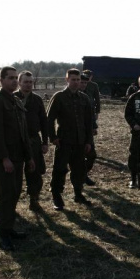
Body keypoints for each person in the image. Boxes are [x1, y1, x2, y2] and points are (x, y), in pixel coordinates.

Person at [0, 66, 35, 251]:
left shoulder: (15, 101)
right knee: (4, 195)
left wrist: (29, 157)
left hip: (18, 156)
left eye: (15, 78)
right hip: (3, 157)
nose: (14, 81)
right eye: (10, 78)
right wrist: (4, 158)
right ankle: (3, 233)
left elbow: (23, 132)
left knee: (14, 193)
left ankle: (9, 227)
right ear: (1, 80)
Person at [46, 69, 94, 210]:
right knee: (60, 169)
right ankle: (57, 196)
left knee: (79, 169)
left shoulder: (84, 98)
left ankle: (78, 194)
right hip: (64, 141)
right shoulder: (59, 97)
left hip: (80, 141)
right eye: (73, 80)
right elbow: (49, 119)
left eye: (78, 80)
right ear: (67, 80)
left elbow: (88, 122)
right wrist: (53, 137)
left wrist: (88, 141)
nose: (76, 82)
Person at [14, 71, 49, 212]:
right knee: (15, 174)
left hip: (34, 140)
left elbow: (44, 121)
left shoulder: (37, 100)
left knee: (35, 172)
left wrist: (45, 142)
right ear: (19, 82)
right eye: (25, 82)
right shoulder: (12, 98)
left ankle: (34, 199)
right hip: (16, 141)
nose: (28, 84)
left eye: (30, 82)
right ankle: (12, 202)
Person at [79, 72, 99, 186]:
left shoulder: (87, 97)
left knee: (91, 156)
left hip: (87, 132)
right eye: (81, 82)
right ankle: (79, 178)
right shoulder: (69, 96)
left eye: (85, 83)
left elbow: (91, 114)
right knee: (79, 158)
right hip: (75, 132)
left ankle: (83, 174)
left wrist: (94, 127)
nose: (83, 85)